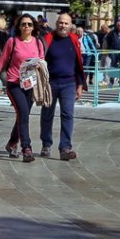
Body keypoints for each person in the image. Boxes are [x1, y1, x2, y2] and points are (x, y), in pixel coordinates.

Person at [0, 13, 46, 163]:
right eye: (23, 24)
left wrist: (39, 66)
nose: (26, 26)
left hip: (31, 84)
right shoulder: (12, 42)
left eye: (29, 24)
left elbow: (42, 61)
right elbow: (1, 62)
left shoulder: (38, 43)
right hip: (14, 83)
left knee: (23, 115)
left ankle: (12, 143)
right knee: (23, 113)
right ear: (19, 27)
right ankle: (26, 148)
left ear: (33, 27)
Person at [40, 14, 86, 160]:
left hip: (68, 83)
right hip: (50, 83)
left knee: (68, 115)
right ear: (56, 23)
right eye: (60, 23)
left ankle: (65, 147)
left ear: (70, 25)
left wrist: (79, 85)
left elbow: (78, 64)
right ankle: (46, 144)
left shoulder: (74, 41)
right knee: (47, 115)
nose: (63, 26)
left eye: (66, 23)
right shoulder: (48, 39)